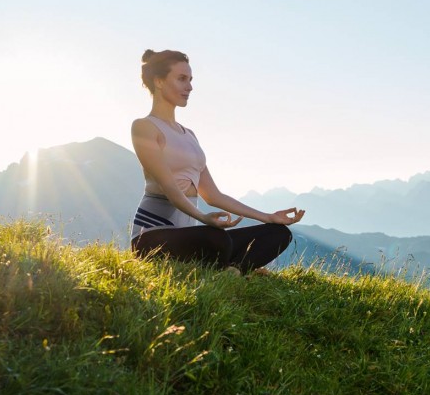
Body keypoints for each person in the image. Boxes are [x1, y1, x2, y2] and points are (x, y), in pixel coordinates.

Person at [130, 49, 305, 274]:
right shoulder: (144, 127)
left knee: (278, 234)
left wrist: (268, 217)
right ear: (159, 81)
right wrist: (204, 218)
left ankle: (234, 269)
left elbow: (213, 196)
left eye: (191, 80)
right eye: (182, 79)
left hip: (189, 238)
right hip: (151, 238)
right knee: (214, 238)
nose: (190, 87)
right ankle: (240, 266)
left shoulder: (189, 135)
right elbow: (171, 189)